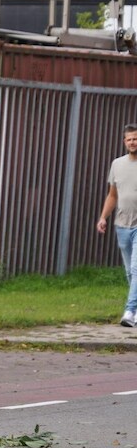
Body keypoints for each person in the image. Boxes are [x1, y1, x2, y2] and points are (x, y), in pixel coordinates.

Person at [96, 123, 137, 327]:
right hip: (122, 224)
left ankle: (129, 311)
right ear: (124, 142)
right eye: (129, 139)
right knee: (130, 271)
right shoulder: (117, 164)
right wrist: (103, 217)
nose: (132, 142)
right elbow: (113, 195)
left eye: (135, 138)